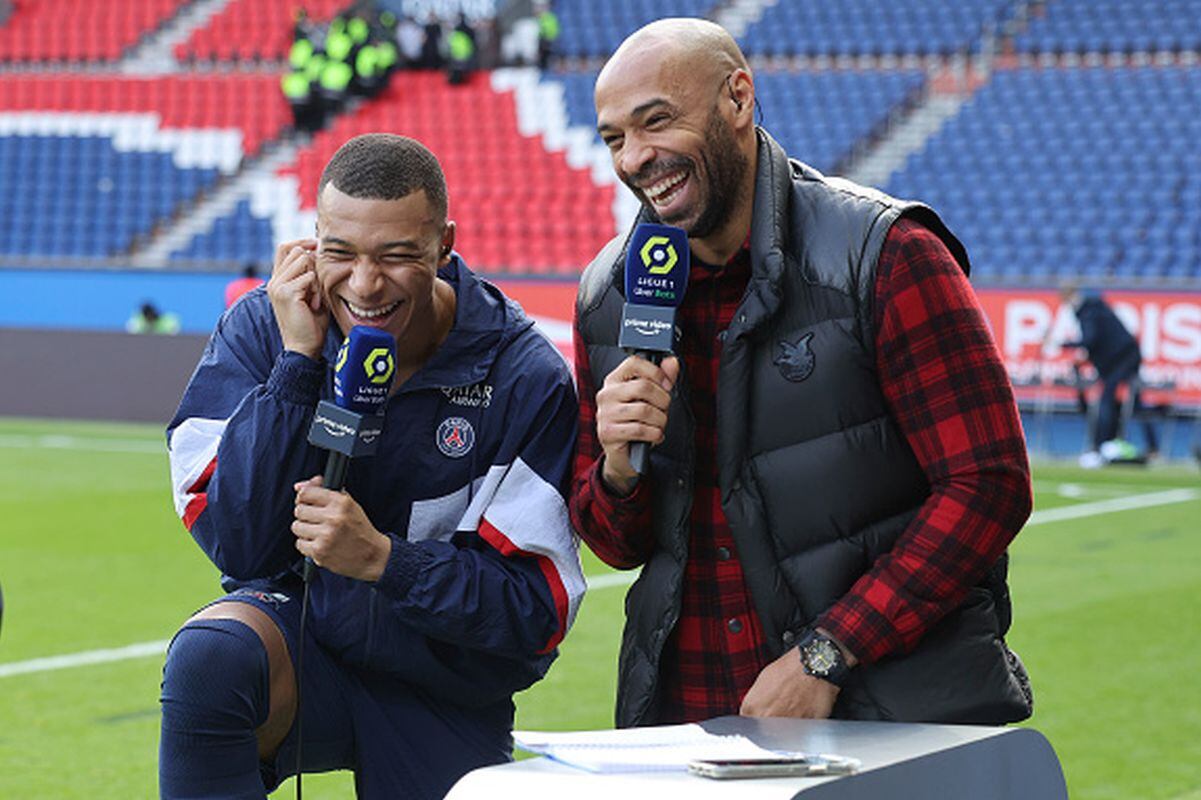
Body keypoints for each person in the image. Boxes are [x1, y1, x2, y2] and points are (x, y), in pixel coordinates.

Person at [570, 19, 1033, 729]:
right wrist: (616, 471)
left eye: (655, 122)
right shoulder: (609, 295)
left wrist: (829, 652)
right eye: (613, 139)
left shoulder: (885, 254)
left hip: (885, 713)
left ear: (737, 99)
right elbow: (617, 543)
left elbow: (988, 485)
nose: (635, 158)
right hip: (686, 717)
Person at [160, 134, 584, 798]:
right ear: (312, 241)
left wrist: (387, 562)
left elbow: (534, 614)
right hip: (303, 650)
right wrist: (297, 369)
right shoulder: (265, 328)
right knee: (212, 658)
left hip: (440, 683)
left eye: (396, 256)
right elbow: (238, 545)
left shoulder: (521, 374)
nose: (363, 285)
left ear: (444, 245)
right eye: (341, 253)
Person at [1056, 284, 1159, 463]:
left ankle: (1101, 446)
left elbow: (1090, 340)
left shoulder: (1088, 312)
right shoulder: (1094, 308)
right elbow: (1099, 341)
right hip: (1121, 358)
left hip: (1122, 360)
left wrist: (1062, 344)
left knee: (1107, 401)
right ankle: (1145, 446)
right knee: (1132, 403)